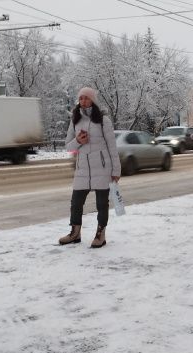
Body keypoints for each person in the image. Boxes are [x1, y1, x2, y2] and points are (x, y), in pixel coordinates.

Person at [59, 87, 121, 247]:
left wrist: (116, 170)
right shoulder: (75, 121)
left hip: (102, 166)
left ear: (93, 100)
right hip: (82, 169)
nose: (83, 101)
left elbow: (112, 147)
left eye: (86, 98)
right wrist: (78, 141)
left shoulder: (103, 120)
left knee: (102, 203)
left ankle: (100, 234)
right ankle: (75, 232)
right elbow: (68, 147)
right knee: (76, 202)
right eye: (81, 98)